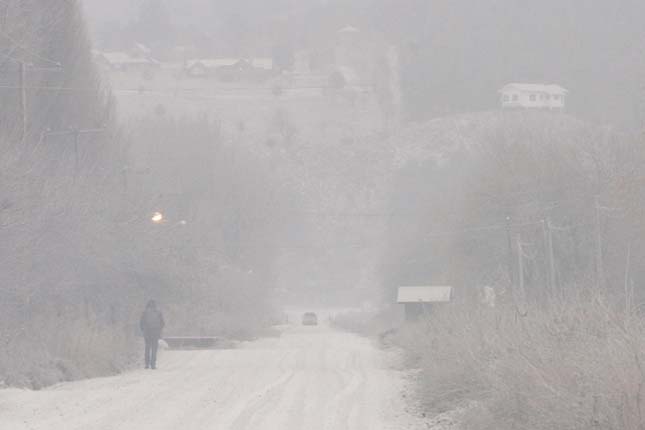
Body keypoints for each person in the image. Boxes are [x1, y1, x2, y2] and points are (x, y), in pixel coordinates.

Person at [139, 300, 165, 369]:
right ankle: (153, 364)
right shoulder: (158, 312)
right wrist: (159, 330)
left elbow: (141, 323)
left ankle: (146, 364)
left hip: (147, 332)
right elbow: (162, 323)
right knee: (154, 348)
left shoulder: (144, 312)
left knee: (147, 348)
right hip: (155, 332)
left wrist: (143, 330)